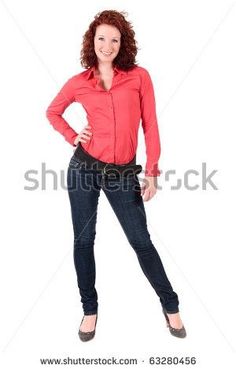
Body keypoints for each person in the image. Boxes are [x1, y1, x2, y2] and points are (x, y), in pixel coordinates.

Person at [46, 9, 186, 341]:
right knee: (83, 240)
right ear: (91, 41)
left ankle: (171, 306)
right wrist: (72, 136)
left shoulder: (139, 77)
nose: (107, 45)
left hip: (123, 174)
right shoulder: (79, 83)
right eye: (101, 38)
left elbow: (150, 125)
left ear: (123, 43)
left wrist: (152, 171)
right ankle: (89, 310)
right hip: (83, 169)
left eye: (114, 39)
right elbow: (52, 111)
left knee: (141, 241)